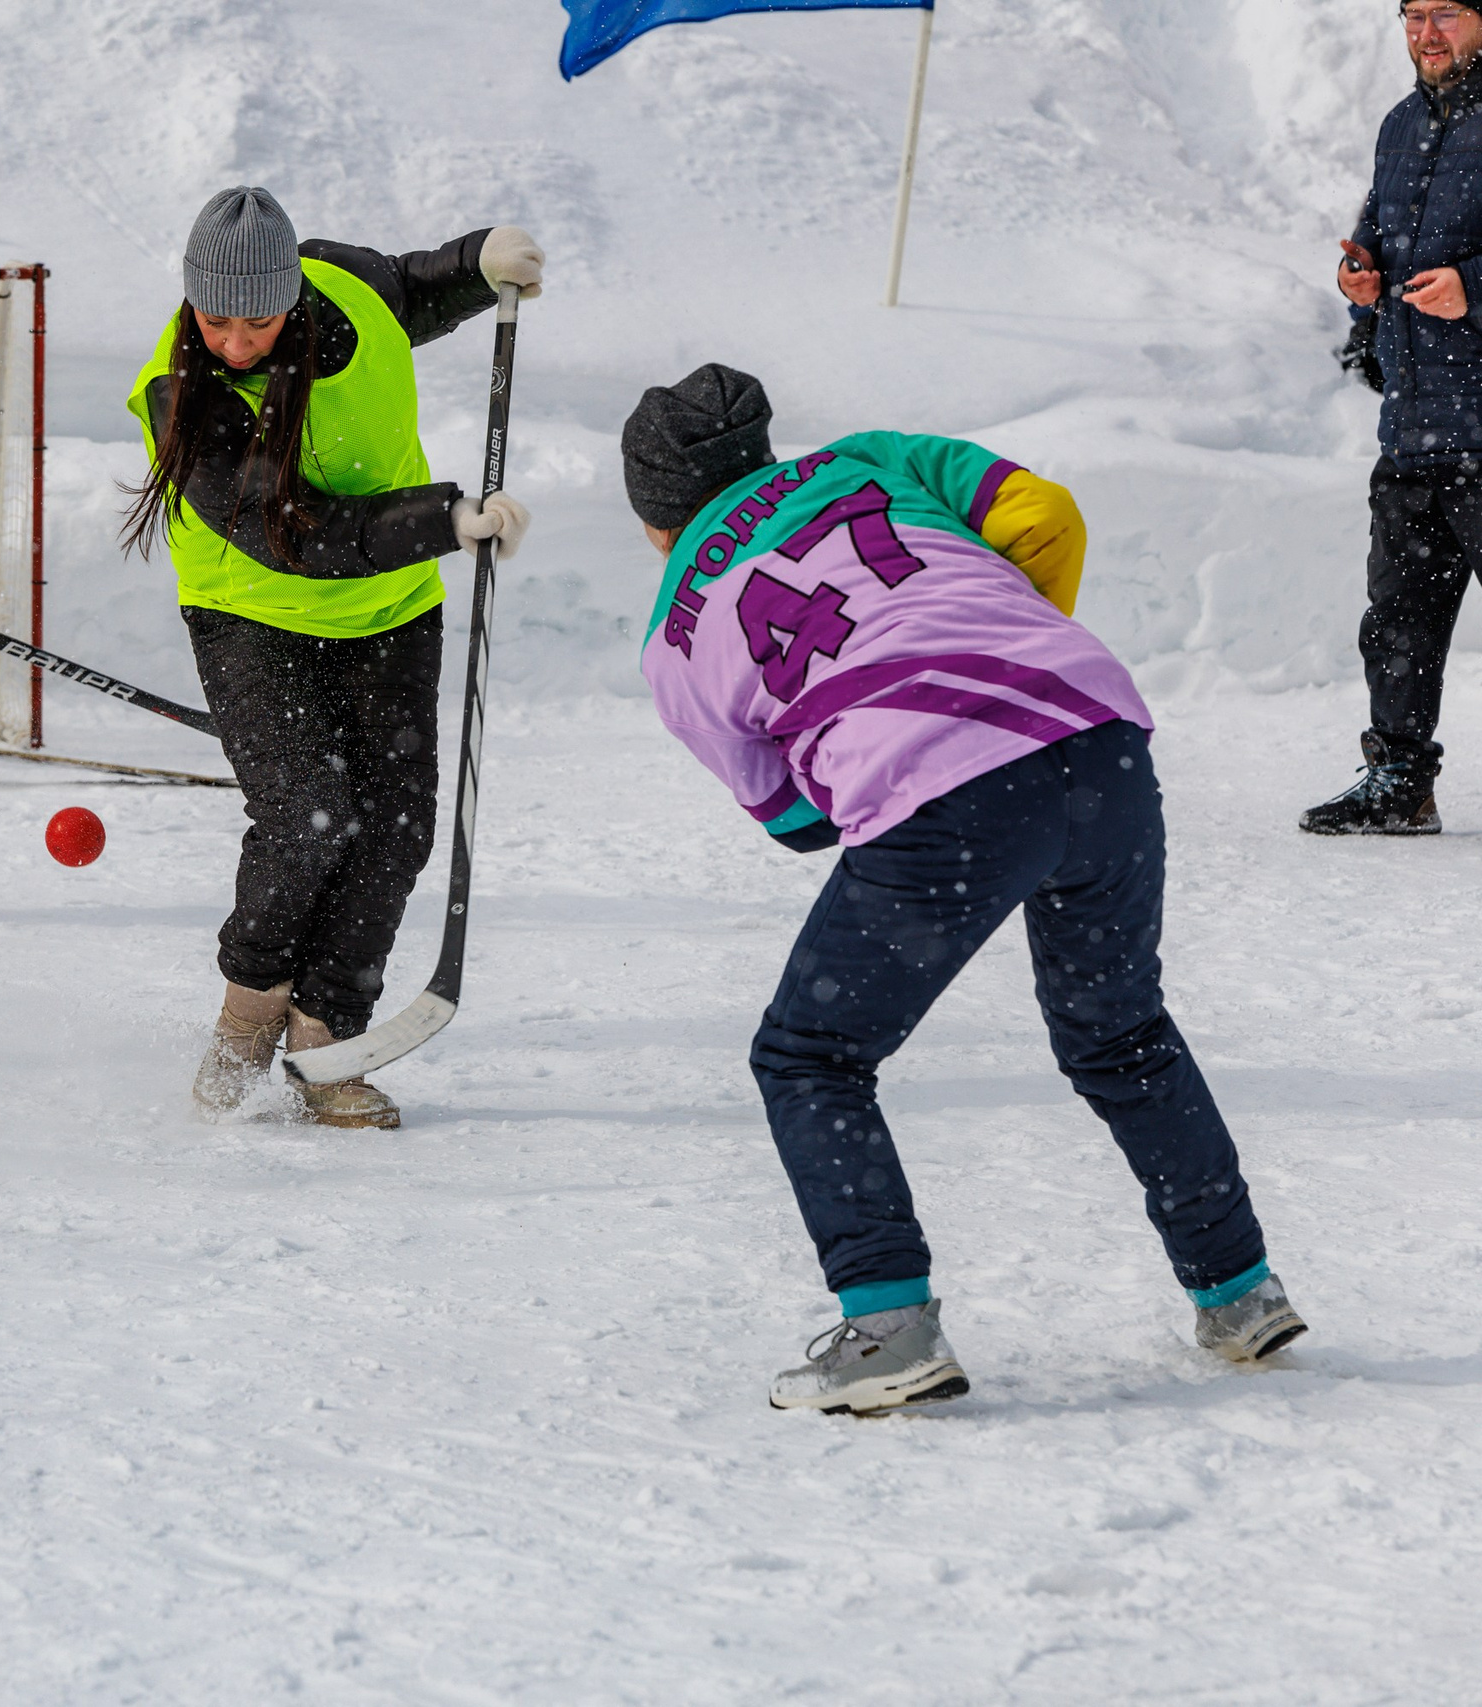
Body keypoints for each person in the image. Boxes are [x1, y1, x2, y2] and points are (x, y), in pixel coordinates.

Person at [626, 364, 1307, 1415]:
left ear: (653, 518)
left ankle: (889, 1326)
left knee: (810, 1054)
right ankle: (1240, 1291)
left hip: (941, 793)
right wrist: (1004, 656)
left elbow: (795, 822)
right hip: (1096, 733)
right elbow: (1045, 512)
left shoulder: (674, 634)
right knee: (1120, 1031)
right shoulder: (869, 459)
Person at [122, 187, 537, 1130]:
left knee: (395, 826)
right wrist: (443, 520)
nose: (233, 341)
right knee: (307, 816)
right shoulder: (181, 392)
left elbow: (412, 291)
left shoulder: (342, 281)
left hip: (390, 607)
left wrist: (479, 263)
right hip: (252, 610)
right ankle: (246, 1021)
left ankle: (326, 1047)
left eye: (256, 321)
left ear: (294, 295)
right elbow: (294, 531)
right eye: (213, 319)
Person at [1304, 0, 1482, 834]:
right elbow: (1376, 229)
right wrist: (1361, 280)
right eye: (1412, 15)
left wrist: (1473, 289)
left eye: (1447, 14)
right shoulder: (1401, 124)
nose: (1426, 34)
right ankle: (1401, 782)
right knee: (1399, 619)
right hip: (1415, 425)